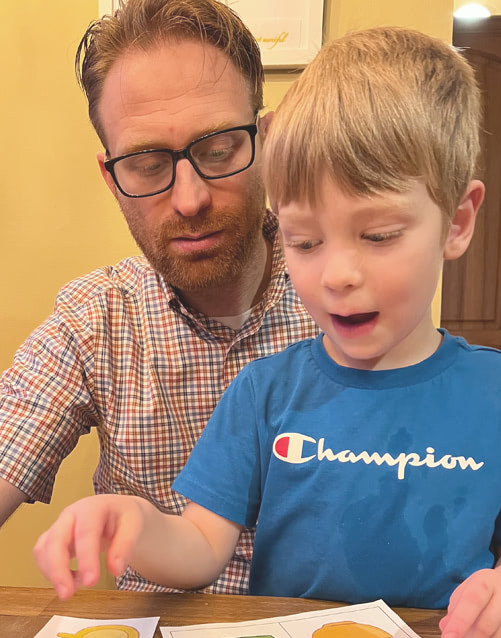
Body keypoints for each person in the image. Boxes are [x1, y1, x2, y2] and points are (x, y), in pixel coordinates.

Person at [34, 26, 501, 638]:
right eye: (305, 242)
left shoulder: (493, 394)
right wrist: (136, 525)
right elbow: (201, 547)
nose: (337, 274)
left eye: (380, 235)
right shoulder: (263, 391)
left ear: (457, 222)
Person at [0, 0, 318, 594]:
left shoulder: (350, 304)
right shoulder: (95, 319)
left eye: (220, 149)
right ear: (110, 176)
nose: (191, 198)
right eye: (147, 163)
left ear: (266, 141)